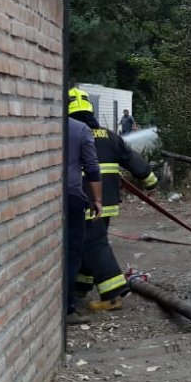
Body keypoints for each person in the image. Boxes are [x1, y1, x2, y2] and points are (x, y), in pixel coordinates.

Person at [69, 88, 158, 312]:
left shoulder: (72, 135)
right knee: (85, 243)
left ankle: (113, 294)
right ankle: (80, 286)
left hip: (87, 203)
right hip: (107, 204)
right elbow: (132, 160)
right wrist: (151, 182)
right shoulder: (109, 136)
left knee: (94, 245)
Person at [66, 116, 102, 325]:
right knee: (71, 253)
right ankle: (68, 307)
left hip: (42, 194)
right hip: (71, 198)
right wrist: (96, 199)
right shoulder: (80, 129)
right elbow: (92, 168)